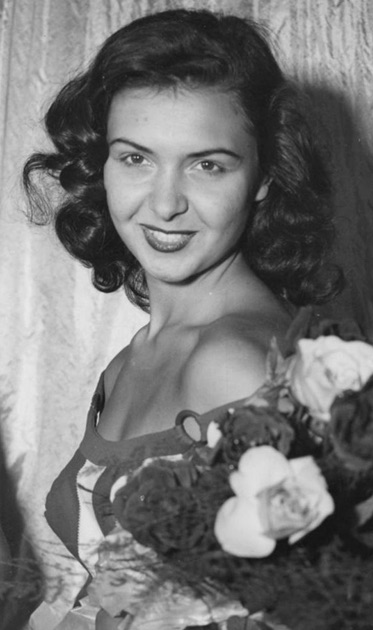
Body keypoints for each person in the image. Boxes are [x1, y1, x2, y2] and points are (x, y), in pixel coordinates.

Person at [23, 8, 343, 629]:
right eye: (135, 159)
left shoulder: (243, 365)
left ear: (264, 176)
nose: (165, 203)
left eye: (207, 164)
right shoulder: (131, 360)